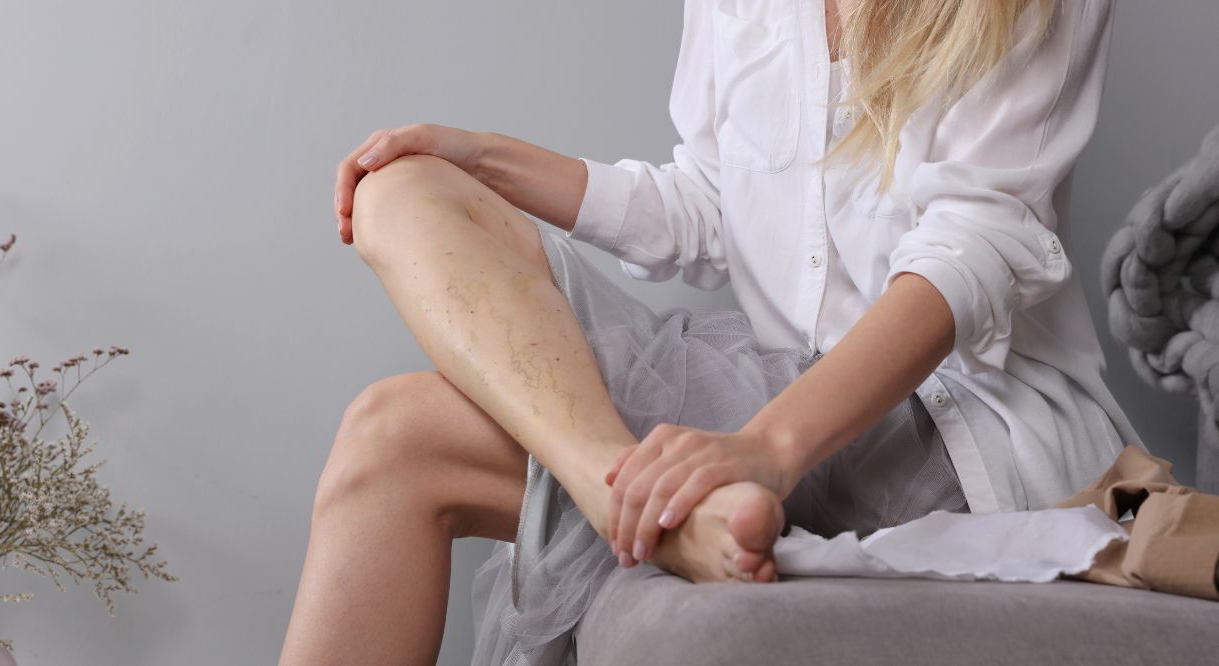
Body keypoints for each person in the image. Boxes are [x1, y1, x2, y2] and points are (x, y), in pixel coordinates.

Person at [279, 0, 1140, 664]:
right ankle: (628, 495)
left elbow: (974, 248)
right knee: (402, 186)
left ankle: (631, 493)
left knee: (393, 435)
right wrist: (484, 158)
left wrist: (766, 448)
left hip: (954, 423)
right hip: (763, 385)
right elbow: (709, 204)